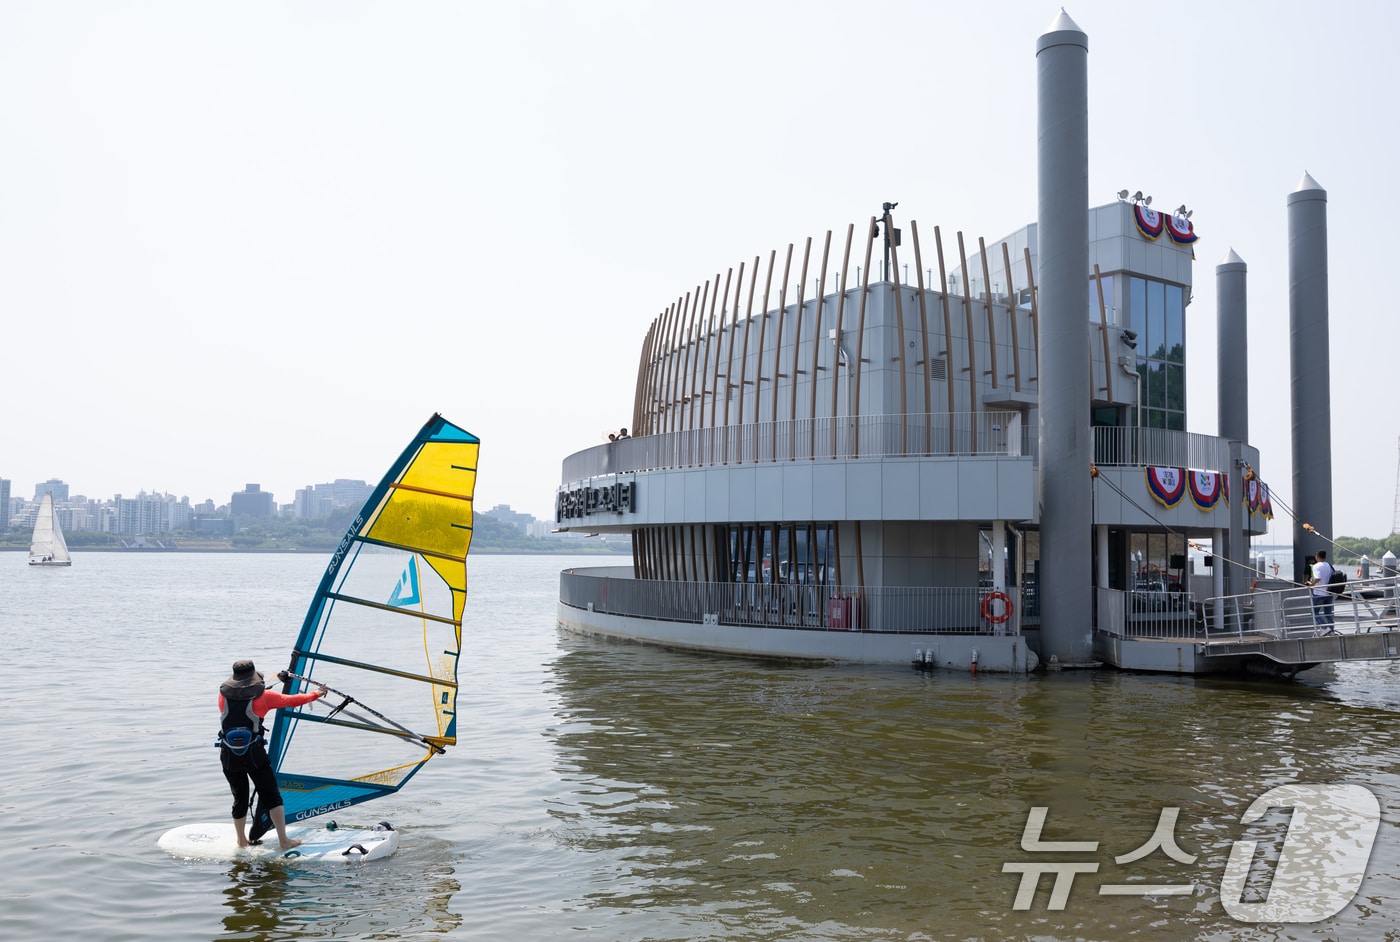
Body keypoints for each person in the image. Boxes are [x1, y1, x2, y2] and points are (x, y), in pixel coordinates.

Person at [217, 659, 327, 850]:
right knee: (272, 796)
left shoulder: (223, 697)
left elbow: (243, 700)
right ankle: (284, 841)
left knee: (239, 798)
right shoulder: (265, 697)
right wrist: (317, 693)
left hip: (229, 755)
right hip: (254, 755)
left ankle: (241, 841)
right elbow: (293, 701)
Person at [1307, 550, 1336, 634]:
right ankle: (1332, 630)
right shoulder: (1329, 565)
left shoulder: (1316, 566)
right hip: (1329, 592)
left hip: (1319, 593)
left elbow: (1318, 578)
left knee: (1314, 612)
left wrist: (1311, 584)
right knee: (1328, 613)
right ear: (1325, 557)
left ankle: (1325, 627)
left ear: (1317, 557)